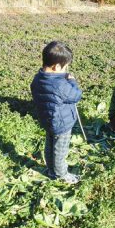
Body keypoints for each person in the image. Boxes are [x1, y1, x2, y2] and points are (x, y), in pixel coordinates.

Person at [30, 41, 82, 184]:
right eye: (65, 67)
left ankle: (50, 169)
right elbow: (76, 95)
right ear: (57, 66)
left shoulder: (38, 78)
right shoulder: (60, 85)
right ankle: (61, 174)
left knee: (50, 145)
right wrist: (72, 82)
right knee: (60, 150)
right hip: (62, 122)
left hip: (47, 119)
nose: (66, 70)